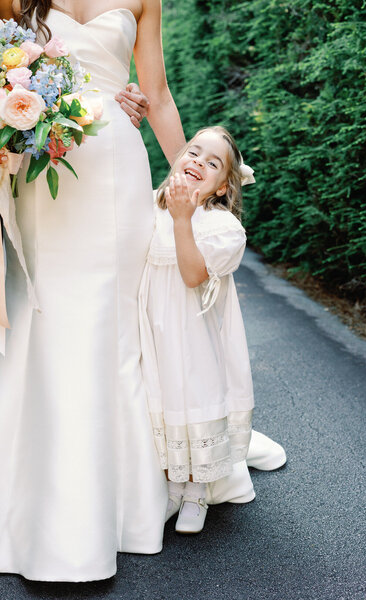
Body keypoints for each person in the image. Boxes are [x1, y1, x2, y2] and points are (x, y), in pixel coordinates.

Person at [0, 0, 285, 582]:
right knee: (48, 310)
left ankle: (127, 494)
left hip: (115, 166)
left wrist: (192, 183)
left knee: (117, 316)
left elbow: (154, 89)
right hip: (41, 165)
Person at [139, 126, 257, 534]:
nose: (198, 163)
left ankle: (197, 491)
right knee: (163, 396)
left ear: (222, 186)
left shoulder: (221, 227)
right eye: (193, 152)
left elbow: (192, 276)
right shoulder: (151, 210)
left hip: (194, 340)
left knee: (194, 396)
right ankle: (172, 484)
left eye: (212, 163)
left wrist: (182, 219)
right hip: (153, 331)